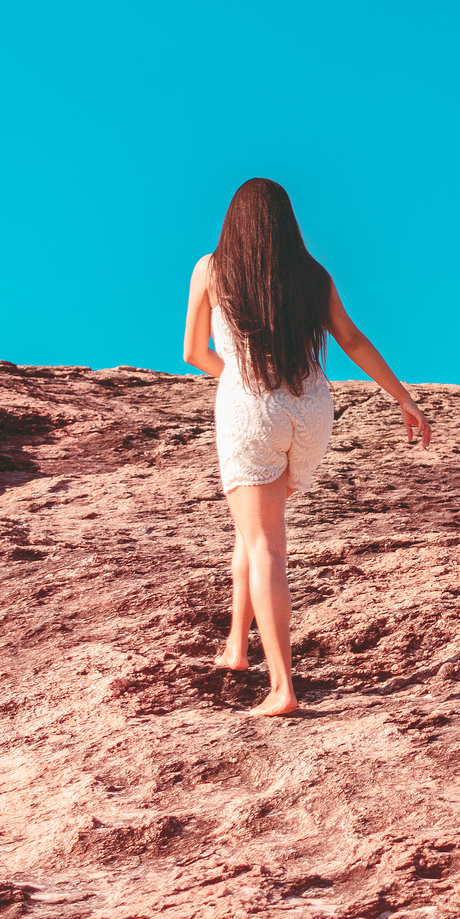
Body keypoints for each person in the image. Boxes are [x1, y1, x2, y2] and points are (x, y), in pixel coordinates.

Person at [183, 178, 431, 717]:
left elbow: (193, 352)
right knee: (254, 530)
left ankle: (282, 689)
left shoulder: (211, 268)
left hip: (253, 411)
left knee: (265, 542)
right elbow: (352, 339)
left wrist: (246, 381)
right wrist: (403, 396)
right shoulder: (312, 275)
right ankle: (234, 645)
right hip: (312, 412)